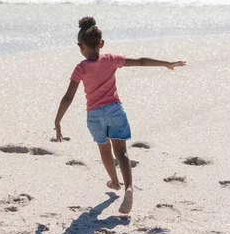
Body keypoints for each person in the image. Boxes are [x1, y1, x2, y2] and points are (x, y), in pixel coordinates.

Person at [54, 17, 186, 214]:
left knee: (105, 150)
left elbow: (68, 97)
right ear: (101, 44)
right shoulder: (111, 59)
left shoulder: (80, 68)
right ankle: (129, 188)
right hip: (115, 110)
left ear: (80, 46)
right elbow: (140, 61)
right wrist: (166, 63)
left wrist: (58, 121)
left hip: (95, 115)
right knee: (121, 152)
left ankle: (114, 182)